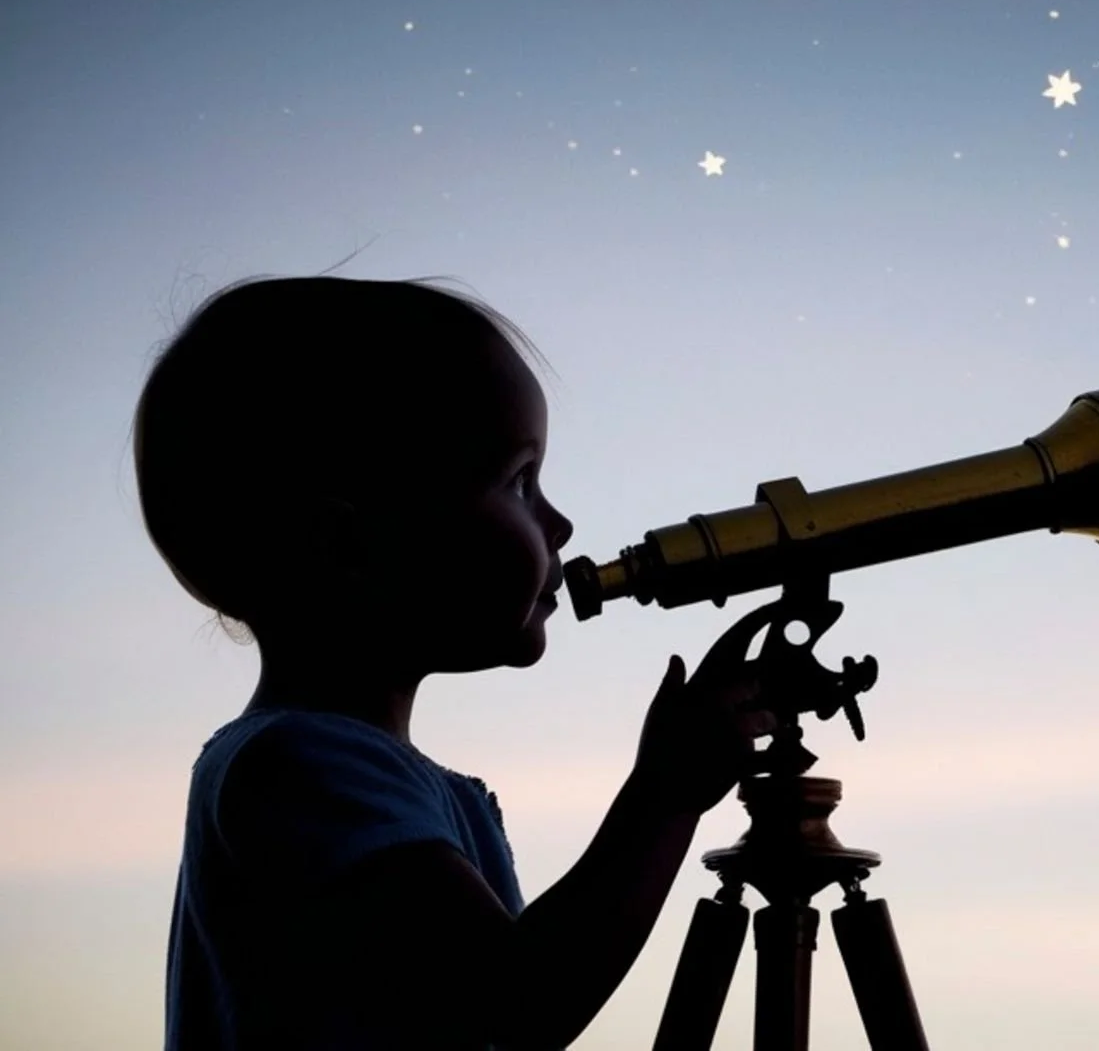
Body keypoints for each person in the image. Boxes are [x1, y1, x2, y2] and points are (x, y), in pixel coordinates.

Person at [133, 275, 779, 1049]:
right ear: (349, 546)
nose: (561, 522)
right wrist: (666, 796)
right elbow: (515, 1002)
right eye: (519, 482)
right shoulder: (300, 769)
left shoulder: (348, 772)